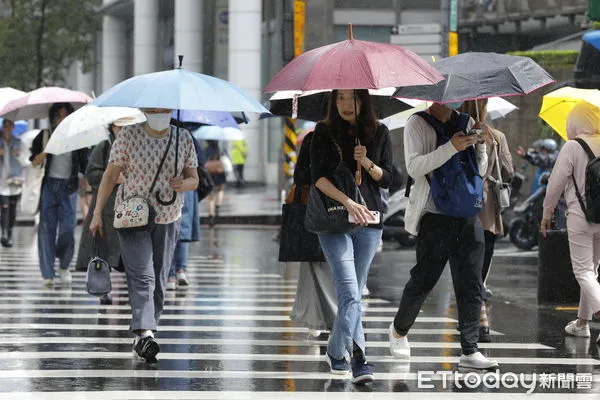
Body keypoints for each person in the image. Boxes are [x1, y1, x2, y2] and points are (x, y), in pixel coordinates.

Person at [388, 101, 499, 370]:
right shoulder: (417, 123)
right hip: (434, 216)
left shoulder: (467, 122)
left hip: (467, 215)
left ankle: (470, 350)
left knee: (472, 283)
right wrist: (452, 147)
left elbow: (479, 171)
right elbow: (414, 168)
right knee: (425, 279)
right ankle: (399, 330)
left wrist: (480, 144)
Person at [90, 108, 199, 363]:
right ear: (144, 111)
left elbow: (194, 178)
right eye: (153, 109)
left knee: (159, 277)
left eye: (163, 109)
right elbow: (109, 176)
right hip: (132, 215)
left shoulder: (183, 138)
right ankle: (146, 332)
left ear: (171, 110)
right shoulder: (127, 136)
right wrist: (96, 213)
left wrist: (183, 184)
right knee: (143, 275)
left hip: (168, 215)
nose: (158, 113)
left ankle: (146, 332)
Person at [310, 89, 393, 384]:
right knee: (349, 292)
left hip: (369, 224)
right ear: (333, 102)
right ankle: (359, 358)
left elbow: (392, 178)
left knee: (355, 293)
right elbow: (317, 177)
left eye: (353, 98)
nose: (346, 104)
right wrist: (348, 201)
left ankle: (335, 350)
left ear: (364, 101)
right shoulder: (322, 132)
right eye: (340, 98)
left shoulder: (379, 132)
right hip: (333, 221)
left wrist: (368, 162)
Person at [541, 102, 600, 343]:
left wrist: (547, 213)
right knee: (592, 271)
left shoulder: (573, 146)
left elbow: (555, 183)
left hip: (580, 216)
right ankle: (582, 323)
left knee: (583, 271)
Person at [459, 99, 514, 343]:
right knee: (481, 272)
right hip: (488, 212)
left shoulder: (457, 135)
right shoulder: (497, 136)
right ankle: (481, 325)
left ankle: (475, 324)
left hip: (461, 209)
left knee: (465, 271)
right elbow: (509, 171)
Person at [30, 103, 88, 286]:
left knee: (68, 230)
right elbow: (34, 161)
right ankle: (48, 274)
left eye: (66, 114)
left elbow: (85, 164)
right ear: (53, 117)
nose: (62, 118)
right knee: (46, 230)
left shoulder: (78, 138)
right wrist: (48, 149)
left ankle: (64, 264)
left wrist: (86, 187)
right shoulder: (44, 135)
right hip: (48, 186)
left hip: (69, 187)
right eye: (58, 115)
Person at [75, 120, 132, 302]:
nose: (122, 130)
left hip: (130, 205)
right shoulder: (104, 146)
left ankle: (134, 289)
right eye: (119, 126)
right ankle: (103, 289)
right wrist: (113, 178)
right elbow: (91, 173)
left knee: (130, 250)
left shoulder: (135, 145)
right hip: (106, 205)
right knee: (104, 248)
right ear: (112, 127)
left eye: (126, 127)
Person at [289, 130, 337, 337]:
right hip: (318, 211)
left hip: (334, 213)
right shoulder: (314, 138)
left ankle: (327, 318)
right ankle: (325, 318)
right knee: (319, 266)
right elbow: (300, 176)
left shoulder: (357, 139)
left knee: (320, 268)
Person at [166, 133, 203, 291]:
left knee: (168, 230)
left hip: (169, 188)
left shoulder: (158, 136)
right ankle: (181, 270)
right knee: (182, 230)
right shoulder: (188, 137)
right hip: (185, 188)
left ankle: (171, 274)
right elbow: (201, 161)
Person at [0, 119, 29, 247]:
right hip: (1, 182)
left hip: (15, 181)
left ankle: (10, 233)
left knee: (12, 209)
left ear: (13, 127)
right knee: (4, 208)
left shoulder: (19, 142)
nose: (7, 128)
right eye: (5, 126)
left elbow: (26, 162)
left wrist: (18, 155)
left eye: (10, 126)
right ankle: (4, 234)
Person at [205, 140, 225, 227]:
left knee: (210, 196)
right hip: (219, 171)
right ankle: (218, 206)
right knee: (220, 190)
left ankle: (211, 217)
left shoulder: (206, 150)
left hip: (209, 173)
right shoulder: (220, 149)